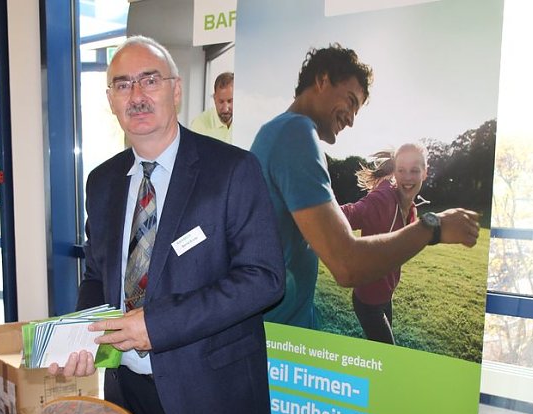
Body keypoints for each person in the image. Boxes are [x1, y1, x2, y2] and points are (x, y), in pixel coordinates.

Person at [52, 36, 284, 414]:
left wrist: (157, 326)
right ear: (110, 99)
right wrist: (84, 332)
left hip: (211, 400)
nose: (137, 94)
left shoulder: (232, 170)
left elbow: (264, 279)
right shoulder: (103, 180)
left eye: (150, 79)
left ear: (176, 90)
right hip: (129, 398)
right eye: (123, 84)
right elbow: (97, 276)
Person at [250, 44, 480, 330]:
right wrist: (433, 228)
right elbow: (347, 264)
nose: (351, 118)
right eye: (350, 101)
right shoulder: (295, 133)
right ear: (322, 80)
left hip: (285, 326)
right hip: (280, 337)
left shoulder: (277, 131)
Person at [342, 143, 434, 344]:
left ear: (425, 173)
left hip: (385, 296)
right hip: (367, 300)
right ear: (395, 172)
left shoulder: (411, 211)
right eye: (402, 170)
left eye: (414, 171)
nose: (408, 177)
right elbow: (350, 213)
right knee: (387, 354)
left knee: (382, 356)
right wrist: (310, 213)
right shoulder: (383, 199)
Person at [189, 72, 234, 143]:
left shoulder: (244, 122)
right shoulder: (199, 125)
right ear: (214, 99)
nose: (225, 109)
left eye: (230, 101)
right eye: (221, 102)